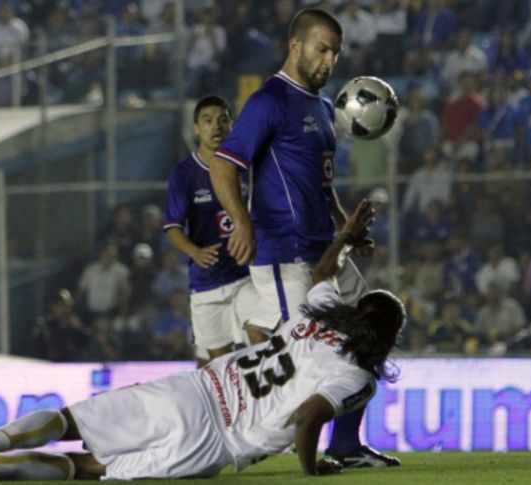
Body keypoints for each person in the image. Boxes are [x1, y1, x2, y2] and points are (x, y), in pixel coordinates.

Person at [0, 199, 403, 480]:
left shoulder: (312, 315)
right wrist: (310, 466)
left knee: (73, 421)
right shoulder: (356, 375)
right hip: (214, 439)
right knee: (90, 469)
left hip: (195, 391)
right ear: (385, 338)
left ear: (357, 311)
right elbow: (308, 414)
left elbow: (322, 270)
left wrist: (343, 237)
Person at [208, 8, 379, 467]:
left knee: (371, 328)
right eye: (322, 49)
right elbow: (224, 166)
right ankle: (248, 442)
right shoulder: (269, 101)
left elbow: (320, 184)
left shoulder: (324, 107)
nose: (329, 60)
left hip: (326, 249)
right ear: (296, 46)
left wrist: (347, 229)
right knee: (320, 350)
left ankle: (347, 444)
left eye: (336, 52)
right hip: (286, 252)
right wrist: (242, 222)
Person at [164, 95, 259, 364]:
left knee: (262, 340)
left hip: (248, 275)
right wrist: (194, 252)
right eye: (207, 121)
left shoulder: (246, 166)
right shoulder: (185, 174)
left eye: (222, 120)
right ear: (196, 128)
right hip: (208, 283)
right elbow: (172, 227)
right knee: (217, 369)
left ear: (232, 125)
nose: (215, 127)